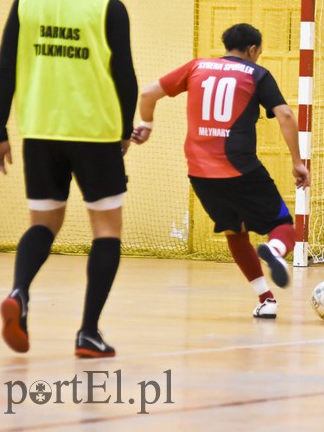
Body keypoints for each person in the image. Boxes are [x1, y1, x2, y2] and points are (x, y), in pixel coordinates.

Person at [0, 0, 138, 357]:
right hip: (94, 133)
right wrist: (125, 130)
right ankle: (88, 332)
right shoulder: (108, 5)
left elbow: (4, 69)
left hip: (40, 131)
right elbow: (124, 76)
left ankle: (18, 293)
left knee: (44, 224)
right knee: (106, 230)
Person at [132, 23, 310, 319]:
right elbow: (285, 114)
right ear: (253, 50)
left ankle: (266, 299)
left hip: (200, 173)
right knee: (283, 225)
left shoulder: (196, 67)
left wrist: (147, 125)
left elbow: (148, 93)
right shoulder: (257, 74)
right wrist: (297, 162)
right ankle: (276, 251)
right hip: (241, 168)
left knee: (234, 231)